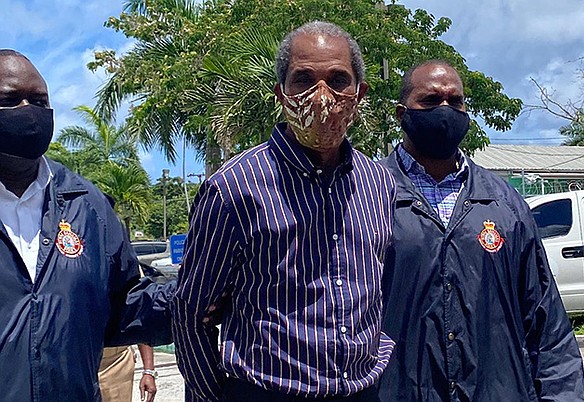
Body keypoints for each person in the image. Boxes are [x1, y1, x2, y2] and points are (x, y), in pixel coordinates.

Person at [172, 21, 396, 402]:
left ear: (360, 94)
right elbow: (190, 312)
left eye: (338, 79)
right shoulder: (233, 187)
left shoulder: (379, 183)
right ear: (281, 93)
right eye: (303, 79)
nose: (321, 96)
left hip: (362, 391)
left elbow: (379, 290)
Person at [377, 60, 584, 402]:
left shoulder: (504, 202)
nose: (445, 110)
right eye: (431, 101)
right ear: (402, 114)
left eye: (455, 101)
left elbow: (547, 325)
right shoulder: (368, 196)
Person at [0, 49, 175, 402]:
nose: (27, 111)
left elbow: (122, 309)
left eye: (38, 100)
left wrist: (197, 294)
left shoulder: (86, 204)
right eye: (9, 99)